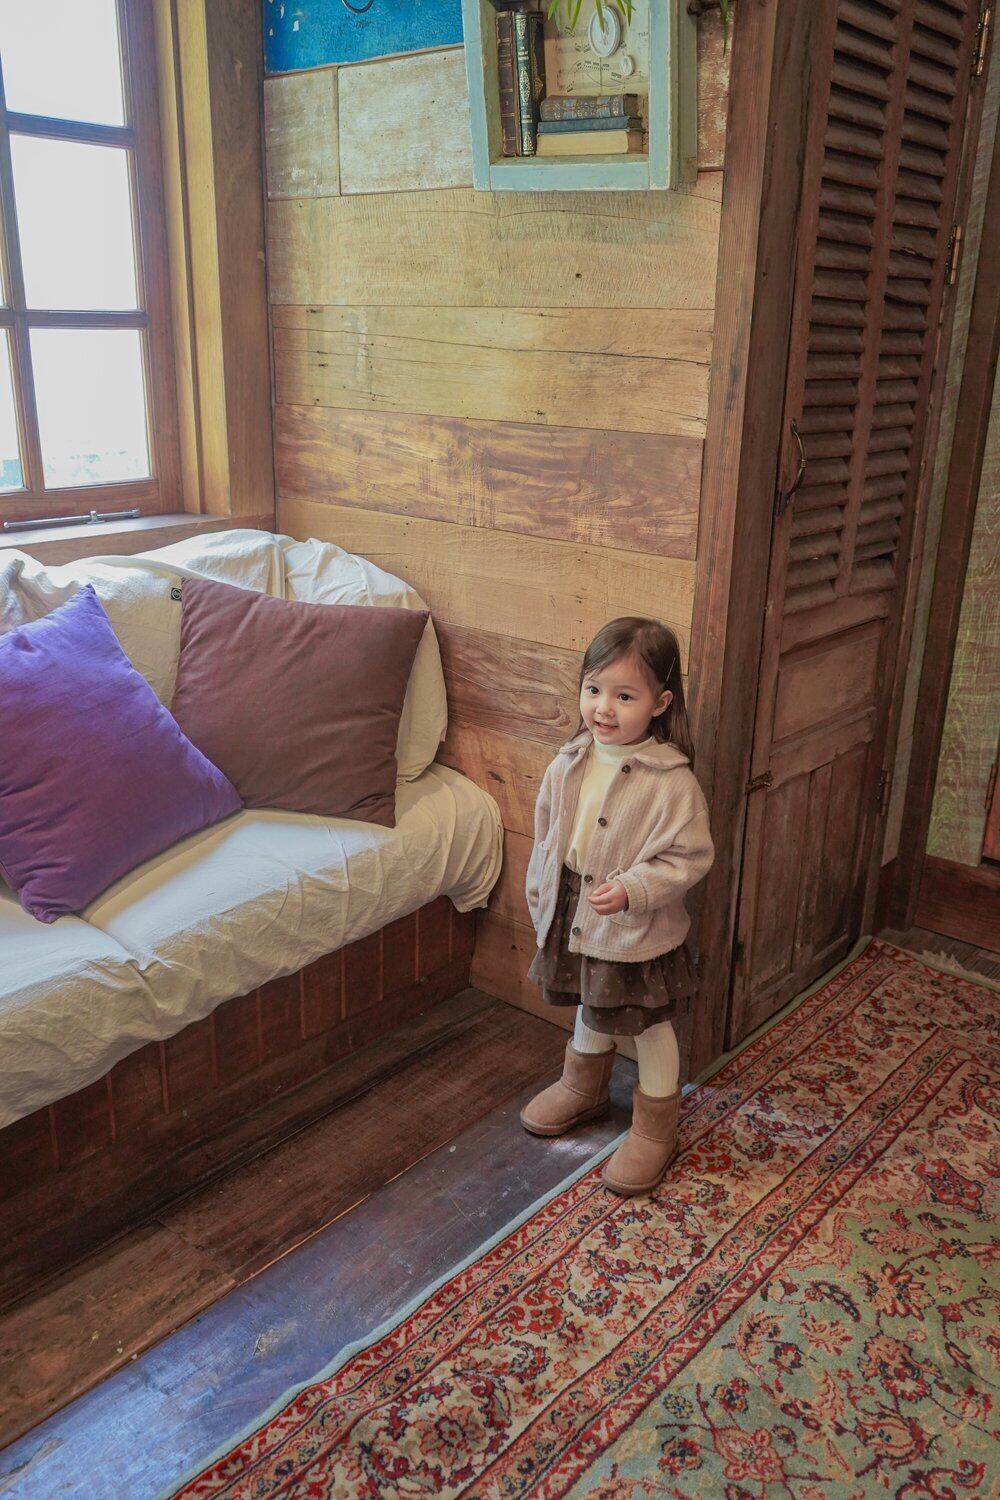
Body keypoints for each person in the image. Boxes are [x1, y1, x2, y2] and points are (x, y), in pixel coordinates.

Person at [521, 615, 715, 1196]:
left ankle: (656, 1128)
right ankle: (582, 1087)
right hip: (575, 905)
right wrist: (541, 895)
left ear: (660, 703)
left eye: (624, 696)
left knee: (647, 1022)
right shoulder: (569, 761)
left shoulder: (671, 782)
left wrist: (635, 888)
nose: (604, 708)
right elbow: (546, 836)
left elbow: (688, 857)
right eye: (594, 689)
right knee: (590, 996)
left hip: (635, 925)